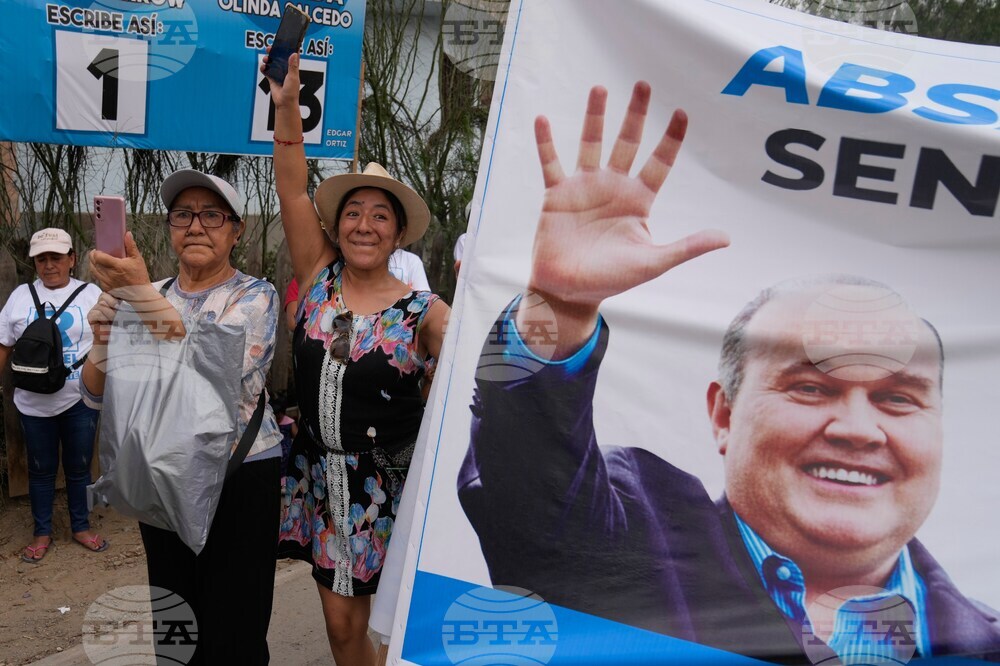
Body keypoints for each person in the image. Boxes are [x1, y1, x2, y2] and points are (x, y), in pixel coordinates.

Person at [457, 82, 1000, 662]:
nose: (859, 429)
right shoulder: (628, 534)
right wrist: (560, 308)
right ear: (724, 412)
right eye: (812, 387)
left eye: (898, 399)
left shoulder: (983, 641)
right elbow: (530, 475)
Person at [265, 53, 450, 666]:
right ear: (336, 225)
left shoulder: (426, 313)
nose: (364, 225)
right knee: (343, 628)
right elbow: (291, 185)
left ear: (398, 235)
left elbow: (479, 384)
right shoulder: (318, 276)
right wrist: (287, 107)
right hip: (322, 481)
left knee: (399, 631)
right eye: (353, 212)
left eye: (380, 216)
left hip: (394, 490)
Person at [80, 170, 282, 665]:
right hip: (163, 473)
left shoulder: (255, 297)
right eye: (183, 214)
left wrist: (138, 294)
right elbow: (92, 394)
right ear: (170, 226)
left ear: (237, 231)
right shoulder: (150, 292)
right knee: (174, 619)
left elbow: (214, 376)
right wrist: (105, 338)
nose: (196, 226)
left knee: (234, 625)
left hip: (240, 475)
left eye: (212, 215)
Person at [0, 228, 104, 563]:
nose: (49, 265)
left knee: (79, 466)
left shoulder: (92, 295)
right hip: (32, 402)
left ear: (72, 259)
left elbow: (110, 340)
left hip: (80, 399)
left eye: (56, 257)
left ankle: (80, 526)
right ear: (34, 263)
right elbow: (4, 344)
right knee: (40, 469)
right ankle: (41, 532)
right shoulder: (19, 297)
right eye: (41, 259)